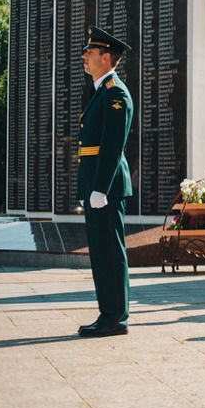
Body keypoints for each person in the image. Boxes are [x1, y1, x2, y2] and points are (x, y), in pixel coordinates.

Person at [76, 26, 134, 337]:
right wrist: (86, 189)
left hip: (107, 188)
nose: (83, 56)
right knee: (100, 253)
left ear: (106, 57)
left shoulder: (115, 93)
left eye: (90, 52)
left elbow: (112, 145)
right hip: (97, 186)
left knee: (111, 252)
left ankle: (116, 318)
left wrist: (99, 188)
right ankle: (107, 313)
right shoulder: (101, 91)